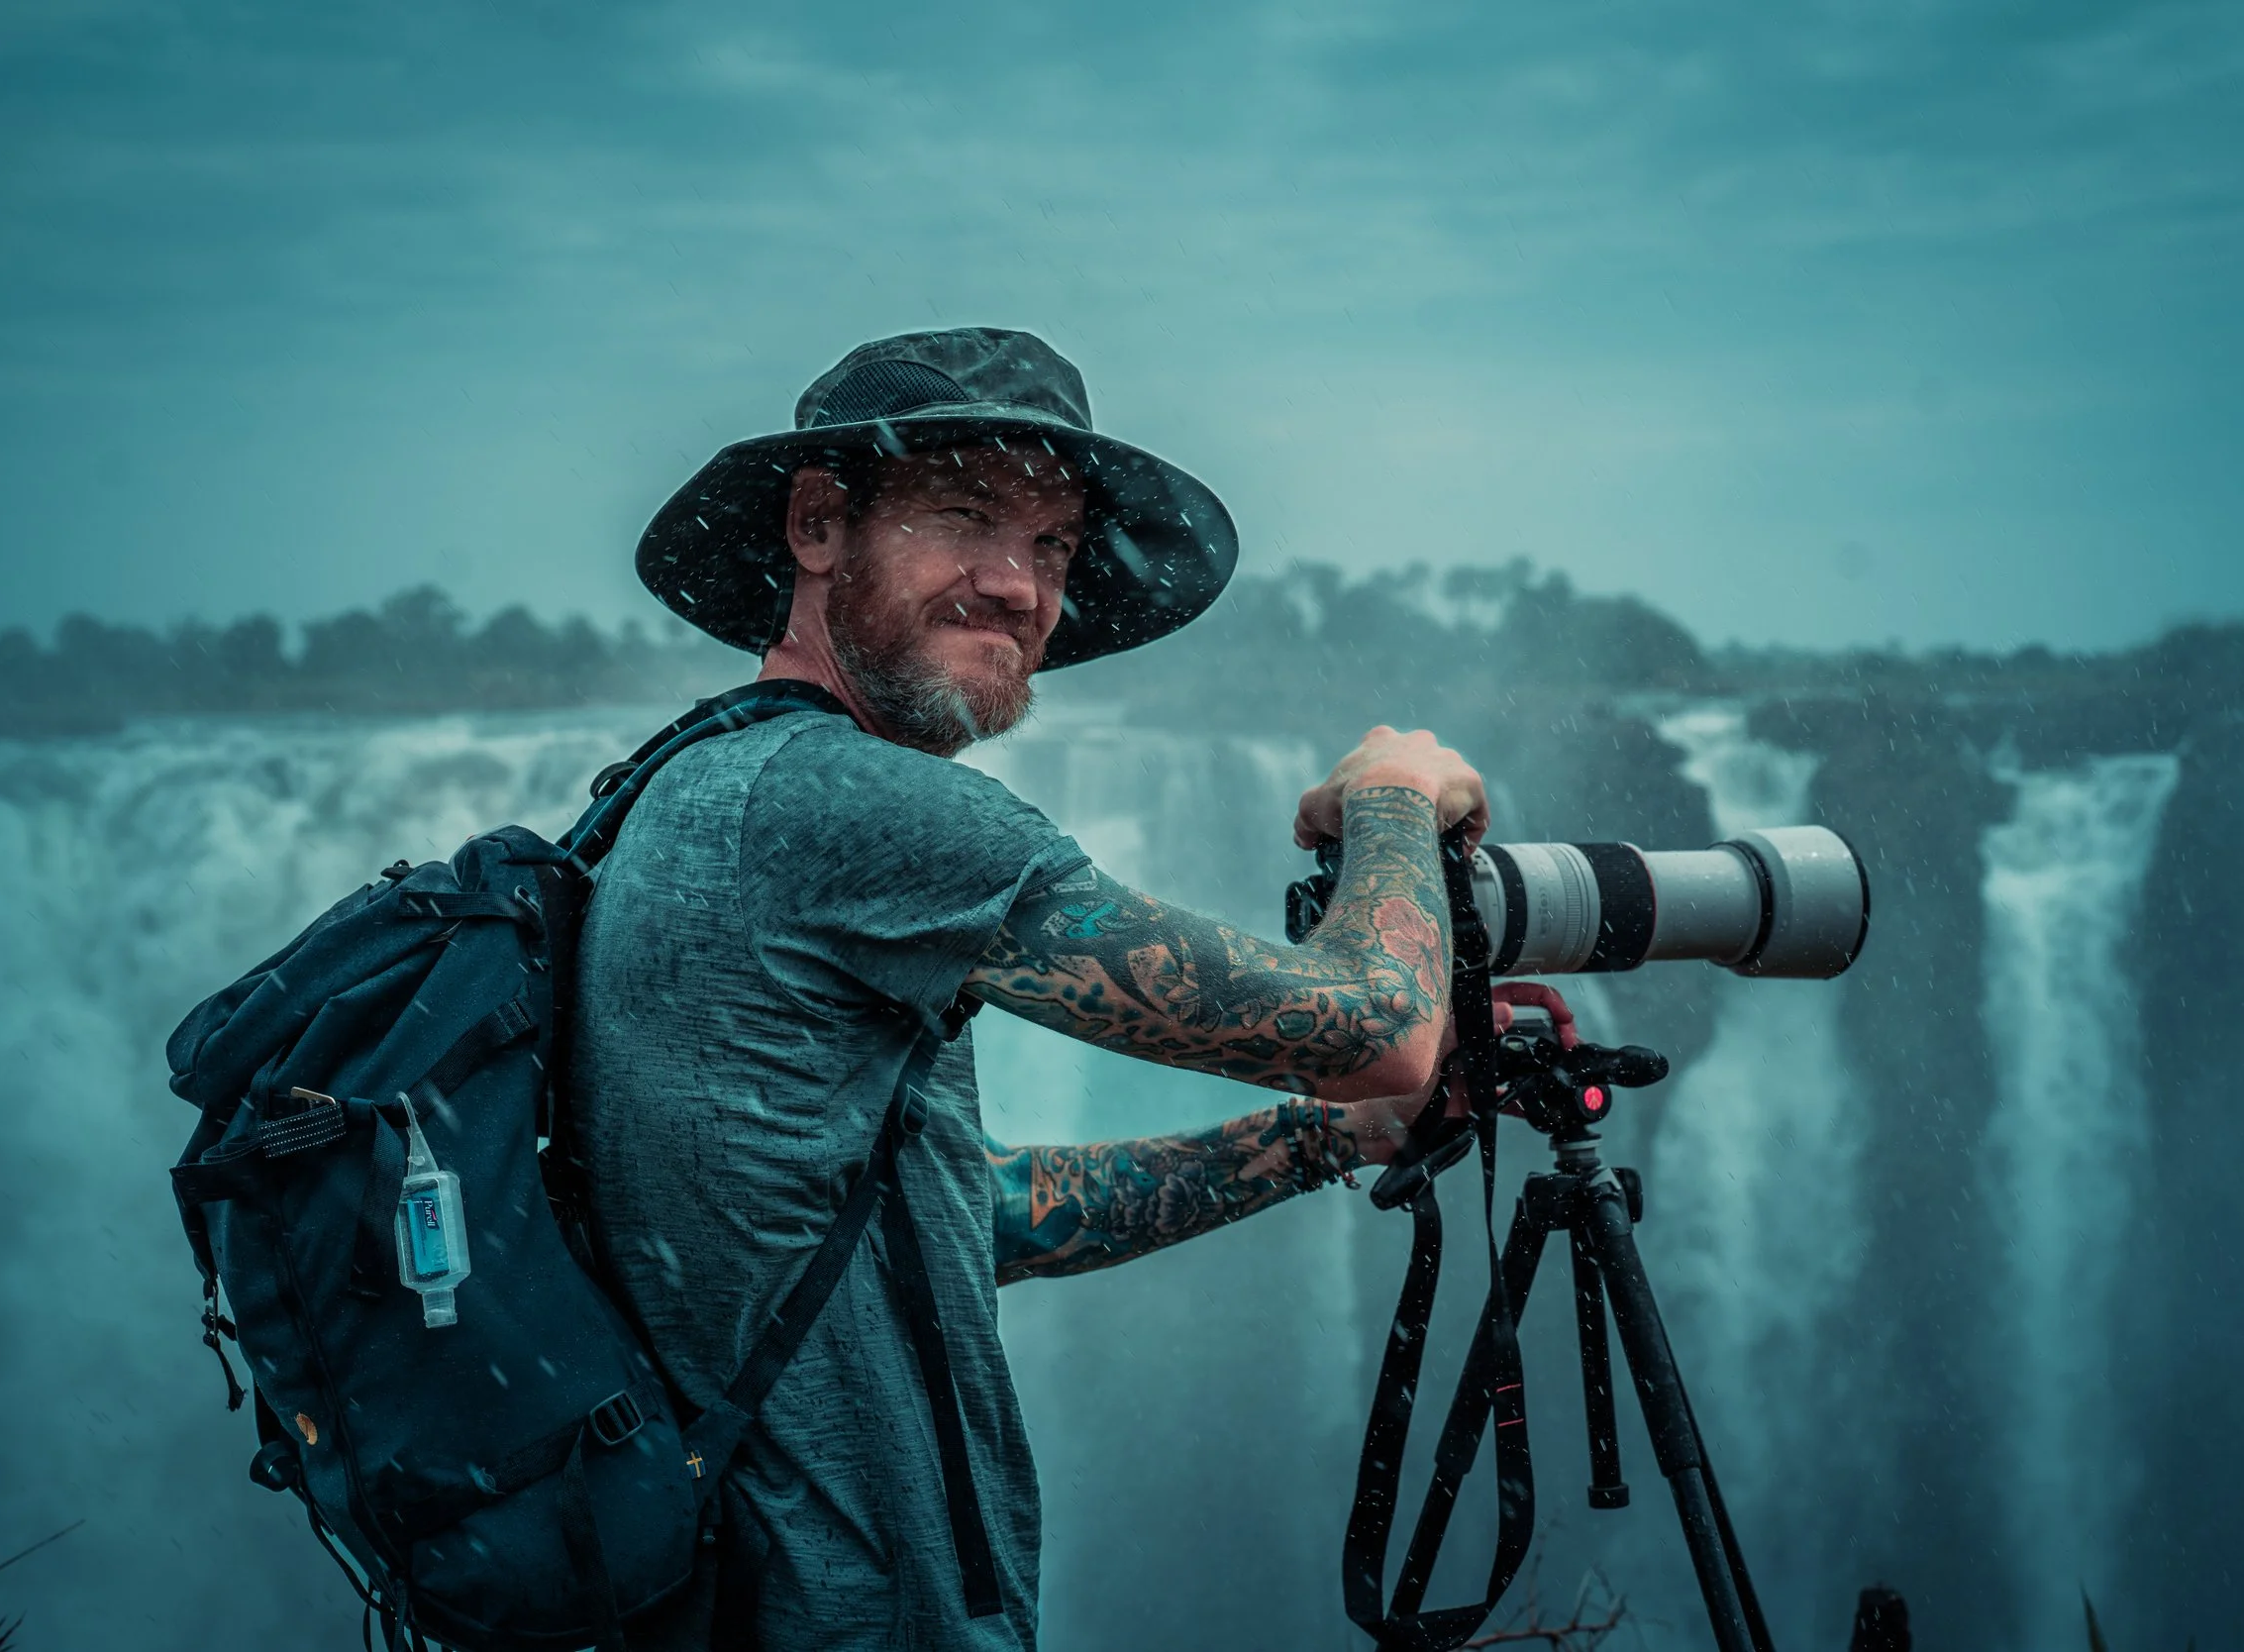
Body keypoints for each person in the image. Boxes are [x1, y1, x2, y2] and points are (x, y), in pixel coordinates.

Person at [568, 328, 1563, 1651]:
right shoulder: (860, 810)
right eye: (965, 517)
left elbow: (959, 1218)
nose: (1017, 586)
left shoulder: (689, 789)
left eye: (1051, 547)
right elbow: (1378, 1027)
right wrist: (1391, 795)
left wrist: (1322, 1141)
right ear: (818, 525)